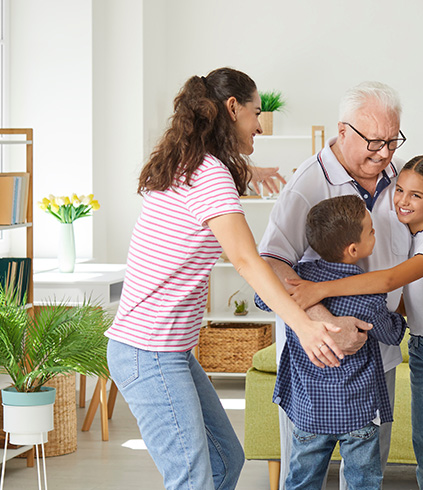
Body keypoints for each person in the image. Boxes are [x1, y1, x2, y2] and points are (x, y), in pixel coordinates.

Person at [104, 67, 342, 490]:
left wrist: (252, 171)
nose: (260, 126)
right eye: (256, 113)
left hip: (166, 350)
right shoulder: (210, 174)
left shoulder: (188, 163)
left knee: (226, 460)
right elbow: (247, 261)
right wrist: (303, 326)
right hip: (149, 350)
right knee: (192, 478)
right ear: (232, 108)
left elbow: (215, 183)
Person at [288, 155, 423, 489]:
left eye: (416, 195)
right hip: (422, 353)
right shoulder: (405, 237)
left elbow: (389, 281)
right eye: (400, 190)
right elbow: (407, 300)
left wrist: (321, 290)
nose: (402, 200)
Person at [258, 81, 411, 486]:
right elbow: (270, 265)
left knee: (366, 468)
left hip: (375, 361)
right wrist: (324, 322)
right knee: (304, 468)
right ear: (342, 131)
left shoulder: (400, 175)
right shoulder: (306, 185)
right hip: (315, 360)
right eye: (374, 142)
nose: (384, 153)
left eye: (392, 141)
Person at [255, 195, 407, 490]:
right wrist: (400, 316)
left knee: (302, 481)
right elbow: (392, 334)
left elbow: (263, 297)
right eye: (371, 231)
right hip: (358, 412)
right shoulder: (367, 294)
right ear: (354, 250)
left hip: (309, 410)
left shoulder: (297, 281)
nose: (375, 233)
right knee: (363, 483)